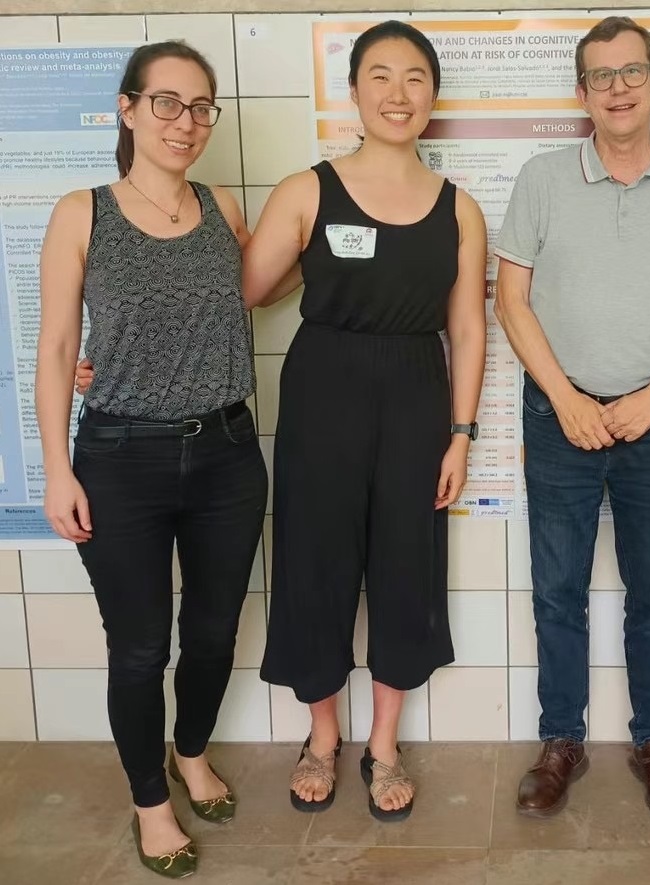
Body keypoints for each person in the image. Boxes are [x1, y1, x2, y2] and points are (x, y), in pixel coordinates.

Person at [494, 16, 650, 821]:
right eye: (601, 75)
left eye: (633, 71)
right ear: (582, 93)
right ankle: (560, 739)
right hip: (556, 418)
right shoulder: (542, 178)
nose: (619, 87)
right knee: (556, 593)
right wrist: (565, 397)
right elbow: (511, 299)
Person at [243, 21, 486, 821]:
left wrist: (461, 432)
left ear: (432, 96)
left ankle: (383, 742)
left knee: (405, 566)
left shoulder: (460, 208)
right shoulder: (307, 189)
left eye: (414, 77)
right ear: (352, 91)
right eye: (379, 75)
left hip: (419, 392)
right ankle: (322, 735)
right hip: (324, 389)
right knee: (315, 562)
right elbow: (246, 288)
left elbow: (470, 328)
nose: (397, 92)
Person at [37, 41, 268, 878]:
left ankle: (192, 749)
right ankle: (149, 799)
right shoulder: (82, 211)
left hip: (229, 455)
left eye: (201, 106)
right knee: (138, 649)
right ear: (128, 109)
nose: (186, 121)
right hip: (119, 459)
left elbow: (258, 291)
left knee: (210, 633)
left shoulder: (224, 207)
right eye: (167, 102)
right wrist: (57, 468)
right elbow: (60, 346)